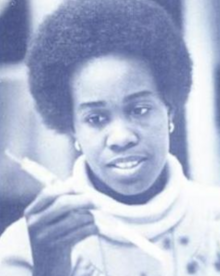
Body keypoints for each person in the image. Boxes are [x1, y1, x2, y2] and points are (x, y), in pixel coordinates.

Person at [1, 0, 220, 275]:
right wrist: (50, 268)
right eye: (95, 119)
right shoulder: (24, 249)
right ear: (72, 129)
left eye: (139, 110)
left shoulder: (215, 222)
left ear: (170, 111)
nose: (121, 137)